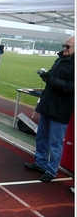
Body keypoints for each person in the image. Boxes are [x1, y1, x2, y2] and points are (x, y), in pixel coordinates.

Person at [24, 36, 75, 182]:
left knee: (55, 143)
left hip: (61, 109)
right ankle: (40, 162)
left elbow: (70, 88)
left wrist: (50, 79)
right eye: (63, 45)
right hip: (48, 104)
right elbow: (53, 77)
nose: (64, 48)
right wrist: (46, 76)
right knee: (41, 137)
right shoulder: (59, 59)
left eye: (68, 47)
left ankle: (51, 170)